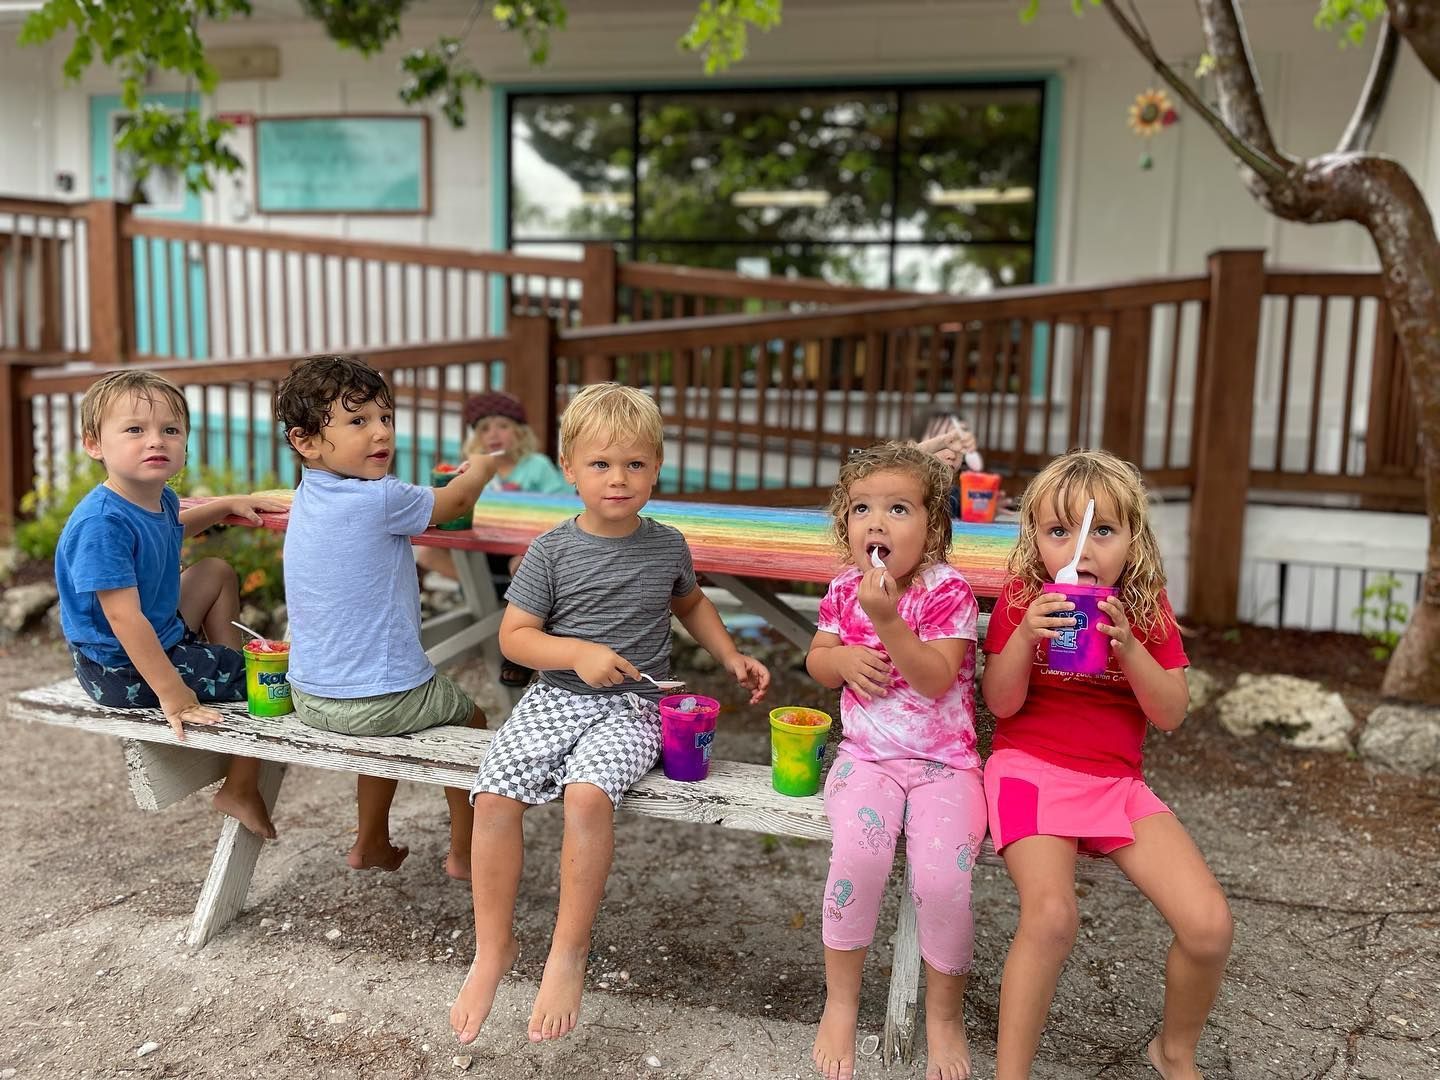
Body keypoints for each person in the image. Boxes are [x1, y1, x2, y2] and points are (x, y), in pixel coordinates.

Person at [449, 382, 772, 1046]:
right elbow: (515, 638)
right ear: (568, 468)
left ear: (657, 467)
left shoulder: (667, 545)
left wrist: (731, 653)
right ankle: (493, 949)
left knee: (588, 795)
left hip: (635, 708)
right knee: (493, 799)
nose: (617, 479)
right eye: (600, 464)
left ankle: (568, 952)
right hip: (556, 697)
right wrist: (576, 653)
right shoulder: (552, 551)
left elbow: (690, 605)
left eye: (634, 464)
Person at [981, 450, 1232, 1080]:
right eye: (1058, 531)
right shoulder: (1023, 597)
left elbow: (1171, 712)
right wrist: (1024, 637)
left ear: (1133, 538)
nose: (1081, 548)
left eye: (1102, 530)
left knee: (1208, 927)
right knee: (1052, 916)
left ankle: (1173, 1052)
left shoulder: (1146, 609)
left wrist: (1130, 645)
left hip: (1116, 782)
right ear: (1033, 537)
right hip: (1027, 769)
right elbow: (1000, 704)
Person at [273, 355, 496, 879]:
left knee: (379, 725)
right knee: (475, 720)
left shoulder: (307, 495)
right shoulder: (382, 498)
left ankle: (370, 841)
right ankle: (465, 852)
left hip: (310, 694)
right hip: (380, 700)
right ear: (304, 441)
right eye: (358, 422)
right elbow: (455, 500)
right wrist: (481, 470)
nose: (381, 433)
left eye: (385, 418)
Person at [804, 443, 986, 1080]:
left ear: (934, 528)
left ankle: (942, 1014)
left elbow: (935, 679)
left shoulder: (948, 592)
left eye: (898, 508)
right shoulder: (844, 589)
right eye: (861, 509)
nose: (875, 523)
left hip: (945, 766)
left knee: (941, 882)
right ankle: (841, 1003)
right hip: (867, 759)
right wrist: (840, 661)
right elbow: (817, 658)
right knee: (858, 857)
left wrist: (886, 621)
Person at [55, 370, 287, 839]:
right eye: (135, 429)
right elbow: (123, 617)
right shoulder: (102, 525)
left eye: (170, 430)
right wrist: (174, 694)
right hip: (121, 667)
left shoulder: (154, 497)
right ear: (94, 444)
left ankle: (222, 670)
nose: (155, 440)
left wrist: (226, 505)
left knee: (215, 572)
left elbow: (173, 527)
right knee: (275, 681)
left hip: (154, 633)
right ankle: (240, 785)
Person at [416, 390, 571, 687]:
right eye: (485, 429)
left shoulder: (535, 465)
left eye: (502, 425)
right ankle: (487, 598)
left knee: (521, 563)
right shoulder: (474, 470)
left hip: (523, 550)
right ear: (476, 439)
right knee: (427, 555)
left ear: (519, 432)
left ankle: (520, 639)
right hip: (483, 553)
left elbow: (562, 506)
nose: (494, 434)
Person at [915, 409, 985, 519]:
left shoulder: (957, 495)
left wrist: (985, 509)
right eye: (940, 443)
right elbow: (899, 458)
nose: (951, 455)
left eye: (959, 444)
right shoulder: (905, 486)